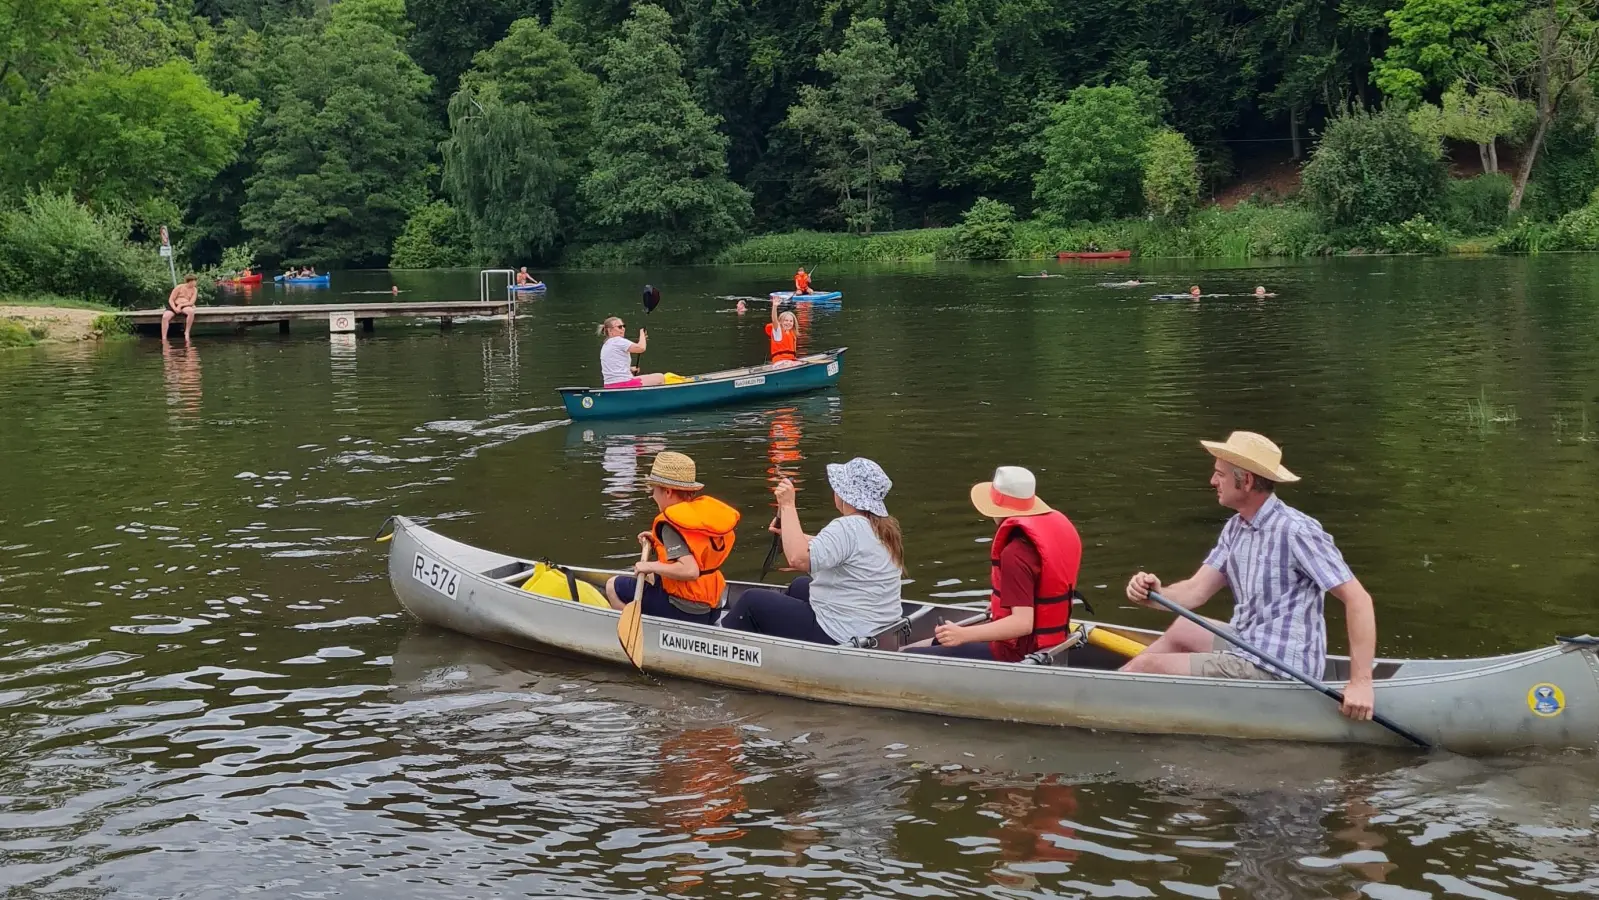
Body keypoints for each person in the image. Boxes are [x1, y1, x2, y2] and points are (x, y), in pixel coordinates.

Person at [1120, 431, 1377, 721]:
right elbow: (1194, 592)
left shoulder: (1296, 531)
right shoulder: (1236, 527)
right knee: (1183, 628)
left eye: (1220, 475)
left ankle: (1111, 691)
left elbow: (1358, 599)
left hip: (1279, 668)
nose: (1212, 482)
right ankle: (1119, 683)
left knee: (1148, 668)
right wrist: (1154, 593)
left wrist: (1360, 684)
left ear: (1247, 481)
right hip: (1249, 644)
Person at [905, 466, 1081, 661]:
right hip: (1052, 643)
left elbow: (1023, 624)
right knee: (932, 642)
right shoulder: (1048, 535)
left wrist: (962, 635)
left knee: (907, 653)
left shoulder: (1015, 553)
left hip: (1018, 653)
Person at [721, 458, 904, 645]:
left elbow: (797, 559)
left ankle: (722, 645)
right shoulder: (883, 527)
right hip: (874, 629)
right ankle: (783, 645)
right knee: (800, 586)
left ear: (844, 493)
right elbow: (838, 550)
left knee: (751, 601)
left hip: (841, 634)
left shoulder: (847, 526)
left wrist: (787, 505)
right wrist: (792, 534)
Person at [604, 451, 740, 624]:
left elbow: (690, 571)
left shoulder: (670, 525)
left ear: (667, 491)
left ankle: (642, 632)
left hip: (686, 610)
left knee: (612, 586)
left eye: (654, 490)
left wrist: (648, 565)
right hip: (713, 608)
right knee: (652, 576)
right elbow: (694, 548)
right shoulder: (698, 517)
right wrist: (655, 539)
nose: (652, 496)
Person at [597, 316, 665, 387]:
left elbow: (612, 365)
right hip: (623, 383)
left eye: (624, 326)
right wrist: (642, 334)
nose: (623, 329)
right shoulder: (618, 340)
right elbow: (641, 348)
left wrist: (629, 369)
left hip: (609, 385)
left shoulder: (606, 344)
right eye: (619, 327)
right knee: (660, 377)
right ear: (610, 330)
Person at [161, 274, 199, 342]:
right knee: (165, 317)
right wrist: (175, 308)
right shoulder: (179, 287)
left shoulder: (194, 290)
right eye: (194, 281)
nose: (195, 283)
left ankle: (187, 332)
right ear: (189, 281)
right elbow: (171, 299)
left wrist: (180, 306)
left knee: (191, 312)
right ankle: (164, 337)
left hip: (186, 305)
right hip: (175, 304)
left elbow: (191, 302)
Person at [766, 296, 799, 366]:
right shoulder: (778, 332)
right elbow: (774, 320)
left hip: (791, 360)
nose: (788, 323)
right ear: (780, 322)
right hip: (779, 362)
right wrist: (774, 306)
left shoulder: (792, 334)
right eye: (786, 320)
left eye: (791, 321)